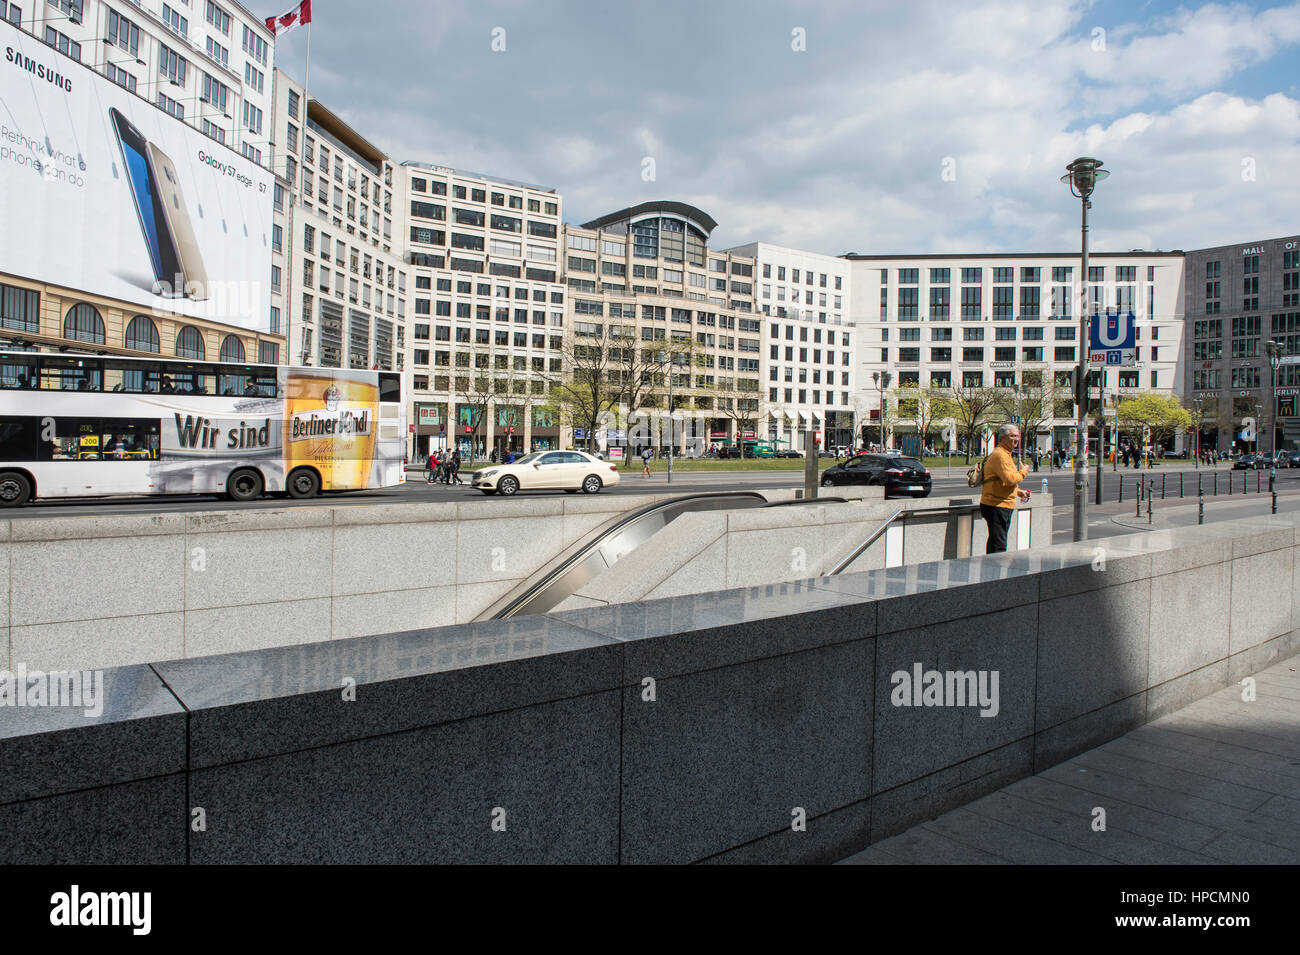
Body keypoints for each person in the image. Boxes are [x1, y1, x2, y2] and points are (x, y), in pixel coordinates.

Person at [980, 424, 1031, 554]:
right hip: (997, 505)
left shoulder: (1005, 454)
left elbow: (1002, 480)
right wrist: (1023, 471)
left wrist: (1019, 492)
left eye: (1018, 436)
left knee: (995, 541)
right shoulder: (1001, 455)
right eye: (1013, 436)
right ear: (1002, 438)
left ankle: (991, 570)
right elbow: (1010, 479)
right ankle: (996, 571)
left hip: (999, 504)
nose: (1016, 439)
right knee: (999, 545)